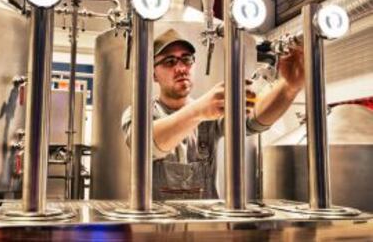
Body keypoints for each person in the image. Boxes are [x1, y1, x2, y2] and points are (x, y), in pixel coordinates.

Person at [121, 28, 304, 200]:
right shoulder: (140, 112)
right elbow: (145, 145)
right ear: (153, 74)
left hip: (203, 225)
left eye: (187, 60)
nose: (181, 68)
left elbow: (254, 120)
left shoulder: (209, 112)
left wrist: (289, 87)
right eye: (170, 62)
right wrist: (198, 111)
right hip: (157, 227)